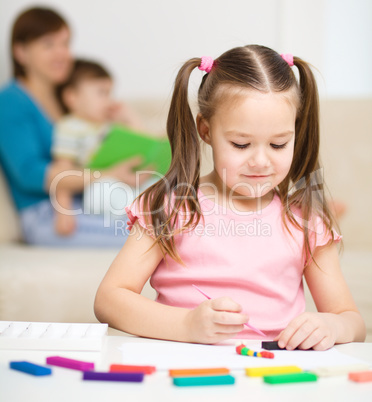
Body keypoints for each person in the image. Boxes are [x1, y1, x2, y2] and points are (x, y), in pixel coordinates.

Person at [94, 45, 366, 348]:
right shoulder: (170, 206)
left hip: (273, 377)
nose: (261, 161)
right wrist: (186, 325)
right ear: (206, 130)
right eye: (240, 144)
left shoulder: (306, 219)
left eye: (278, 144)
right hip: (184, 371)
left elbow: (352, 321)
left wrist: (333, 325)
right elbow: (109, 299)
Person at [0, 7, 148, 247]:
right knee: (148, 237)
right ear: (21, 52)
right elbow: (29, 174)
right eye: (49, 44)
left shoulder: (68, 101)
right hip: (46, 214)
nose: (62, 54)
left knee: (163, 224)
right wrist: (110, 173)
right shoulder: (10, 102)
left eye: (65, 44)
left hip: (88, 203)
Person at [52, 59, 156, 236]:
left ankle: (153, 211)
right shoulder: (69, 127)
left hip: (128, 183)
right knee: (105, 191)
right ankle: (146, 216)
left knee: (158, 185)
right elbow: (63, 173)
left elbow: (147, 146)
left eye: (110, 93)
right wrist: (63, 211)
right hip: (98, 186)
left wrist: (130, 117)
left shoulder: (112, 125)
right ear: (72, 97)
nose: (109, 101)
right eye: (102, 93)